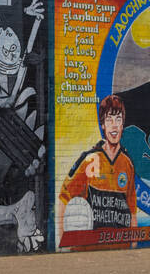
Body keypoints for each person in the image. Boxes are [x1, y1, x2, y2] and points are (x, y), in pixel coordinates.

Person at [57, 94, 137, 233]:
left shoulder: (127, 163)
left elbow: (132, 212)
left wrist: (134, 244)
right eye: (109, 119)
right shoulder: (90, 159)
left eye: (118, 119)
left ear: (123, 124)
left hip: (120, 247)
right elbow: (64, 198)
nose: (114, 125)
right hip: (90, 248)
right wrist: (64, 239)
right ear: (103, 125)